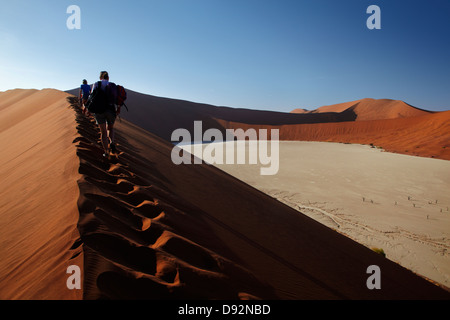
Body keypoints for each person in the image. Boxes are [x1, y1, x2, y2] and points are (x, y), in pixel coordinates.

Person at [83, 71, 119, 158]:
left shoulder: (96, 84)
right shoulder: (112, 85)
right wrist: (118, 109)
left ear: (100, 77)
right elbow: (116, 98)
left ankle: (106, 152)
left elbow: (91, 97)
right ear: (108, 78)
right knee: (111, 128)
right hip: (111, 110)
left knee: (103, 132)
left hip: (99, 111)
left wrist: (87, 109)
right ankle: (112, 142)